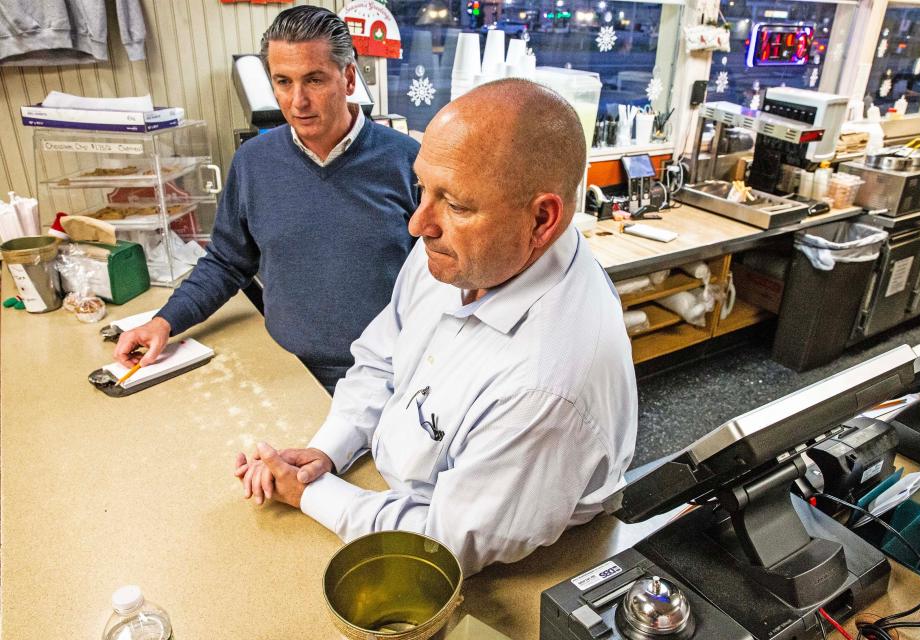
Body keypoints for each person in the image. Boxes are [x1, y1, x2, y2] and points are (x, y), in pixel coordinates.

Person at [235, 78, 638, 576]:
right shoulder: (466, 254)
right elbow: (382, 354)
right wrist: (329, 448)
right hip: (392, 498)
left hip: (509, 569)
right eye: (424, 188)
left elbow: (445, 544)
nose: (418, 223)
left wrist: (312, 493)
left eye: (457, 204)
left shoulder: (547, 383)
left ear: (541, 219)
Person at [114, 6, 420, 392]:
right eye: (283, 81)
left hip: (388, 374)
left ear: (348, 76)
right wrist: (164, 320)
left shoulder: (408, 162)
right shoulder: (253, 162)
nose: (297, 101)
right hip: (287, 369)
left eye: (314, 80)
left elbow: (443, 283)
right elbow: (227, 261)